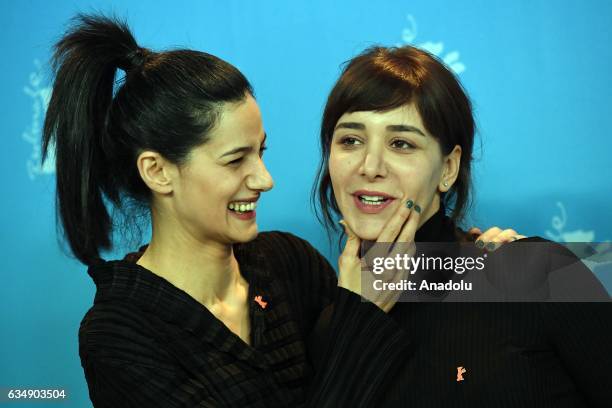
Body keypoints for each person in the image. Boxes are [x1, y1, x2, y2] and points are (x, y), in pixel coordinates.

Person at [43, 14, 525, 407]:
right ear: (158, 171)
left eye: (262, 152)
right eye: (236, 159)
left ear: (449, 165)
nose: (264, 179)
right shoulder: (118, 335)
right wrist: (363, 314)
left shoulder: (287, 263)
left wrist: (478, 260)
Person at [311, 45, 612, 406]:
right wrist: (355, 324)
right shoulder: (330, 326)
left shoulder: (538, 273)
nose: (370, 165)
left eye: (401, 143)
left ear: (448, 168)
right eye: (351, 140)